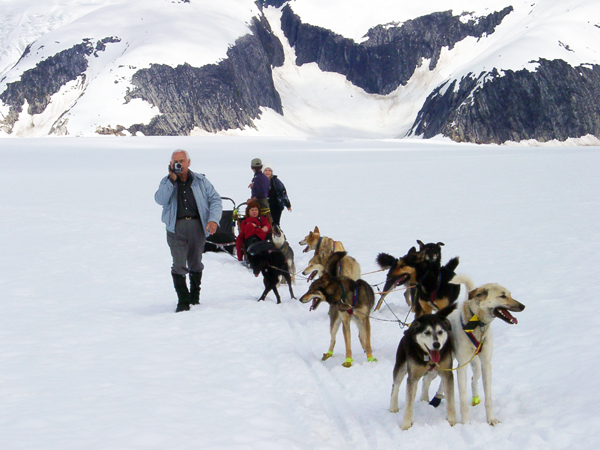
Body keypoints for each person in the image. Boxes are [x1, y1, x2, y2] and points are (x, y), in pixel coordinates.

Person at [155, 149, 222, 313]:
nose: (179, 164)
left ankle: (194, 297)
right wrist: (171, 180)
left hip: (197, 227)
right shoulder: (166, 182)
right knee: (178, 264)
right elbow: (160, 199)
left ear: (188, 162)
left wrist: (213, 219)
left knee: (195, 262)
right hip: (175, 228)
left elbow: (215, 199)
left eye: (182, 161)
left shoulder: (200, 180)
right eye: (175, 161)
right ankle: (183, 301)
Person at [263, 163, 291, 228]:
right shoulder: (260, 181)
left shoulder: (276, 181)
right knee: (265, 223)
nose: (267, 172)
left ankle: (277, 235)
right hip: (264, 205)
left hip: (276, 206)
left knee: (275, 223)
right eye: (266, 170)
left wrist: (288, 205)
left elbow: (283, 193)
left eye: (269, 170)